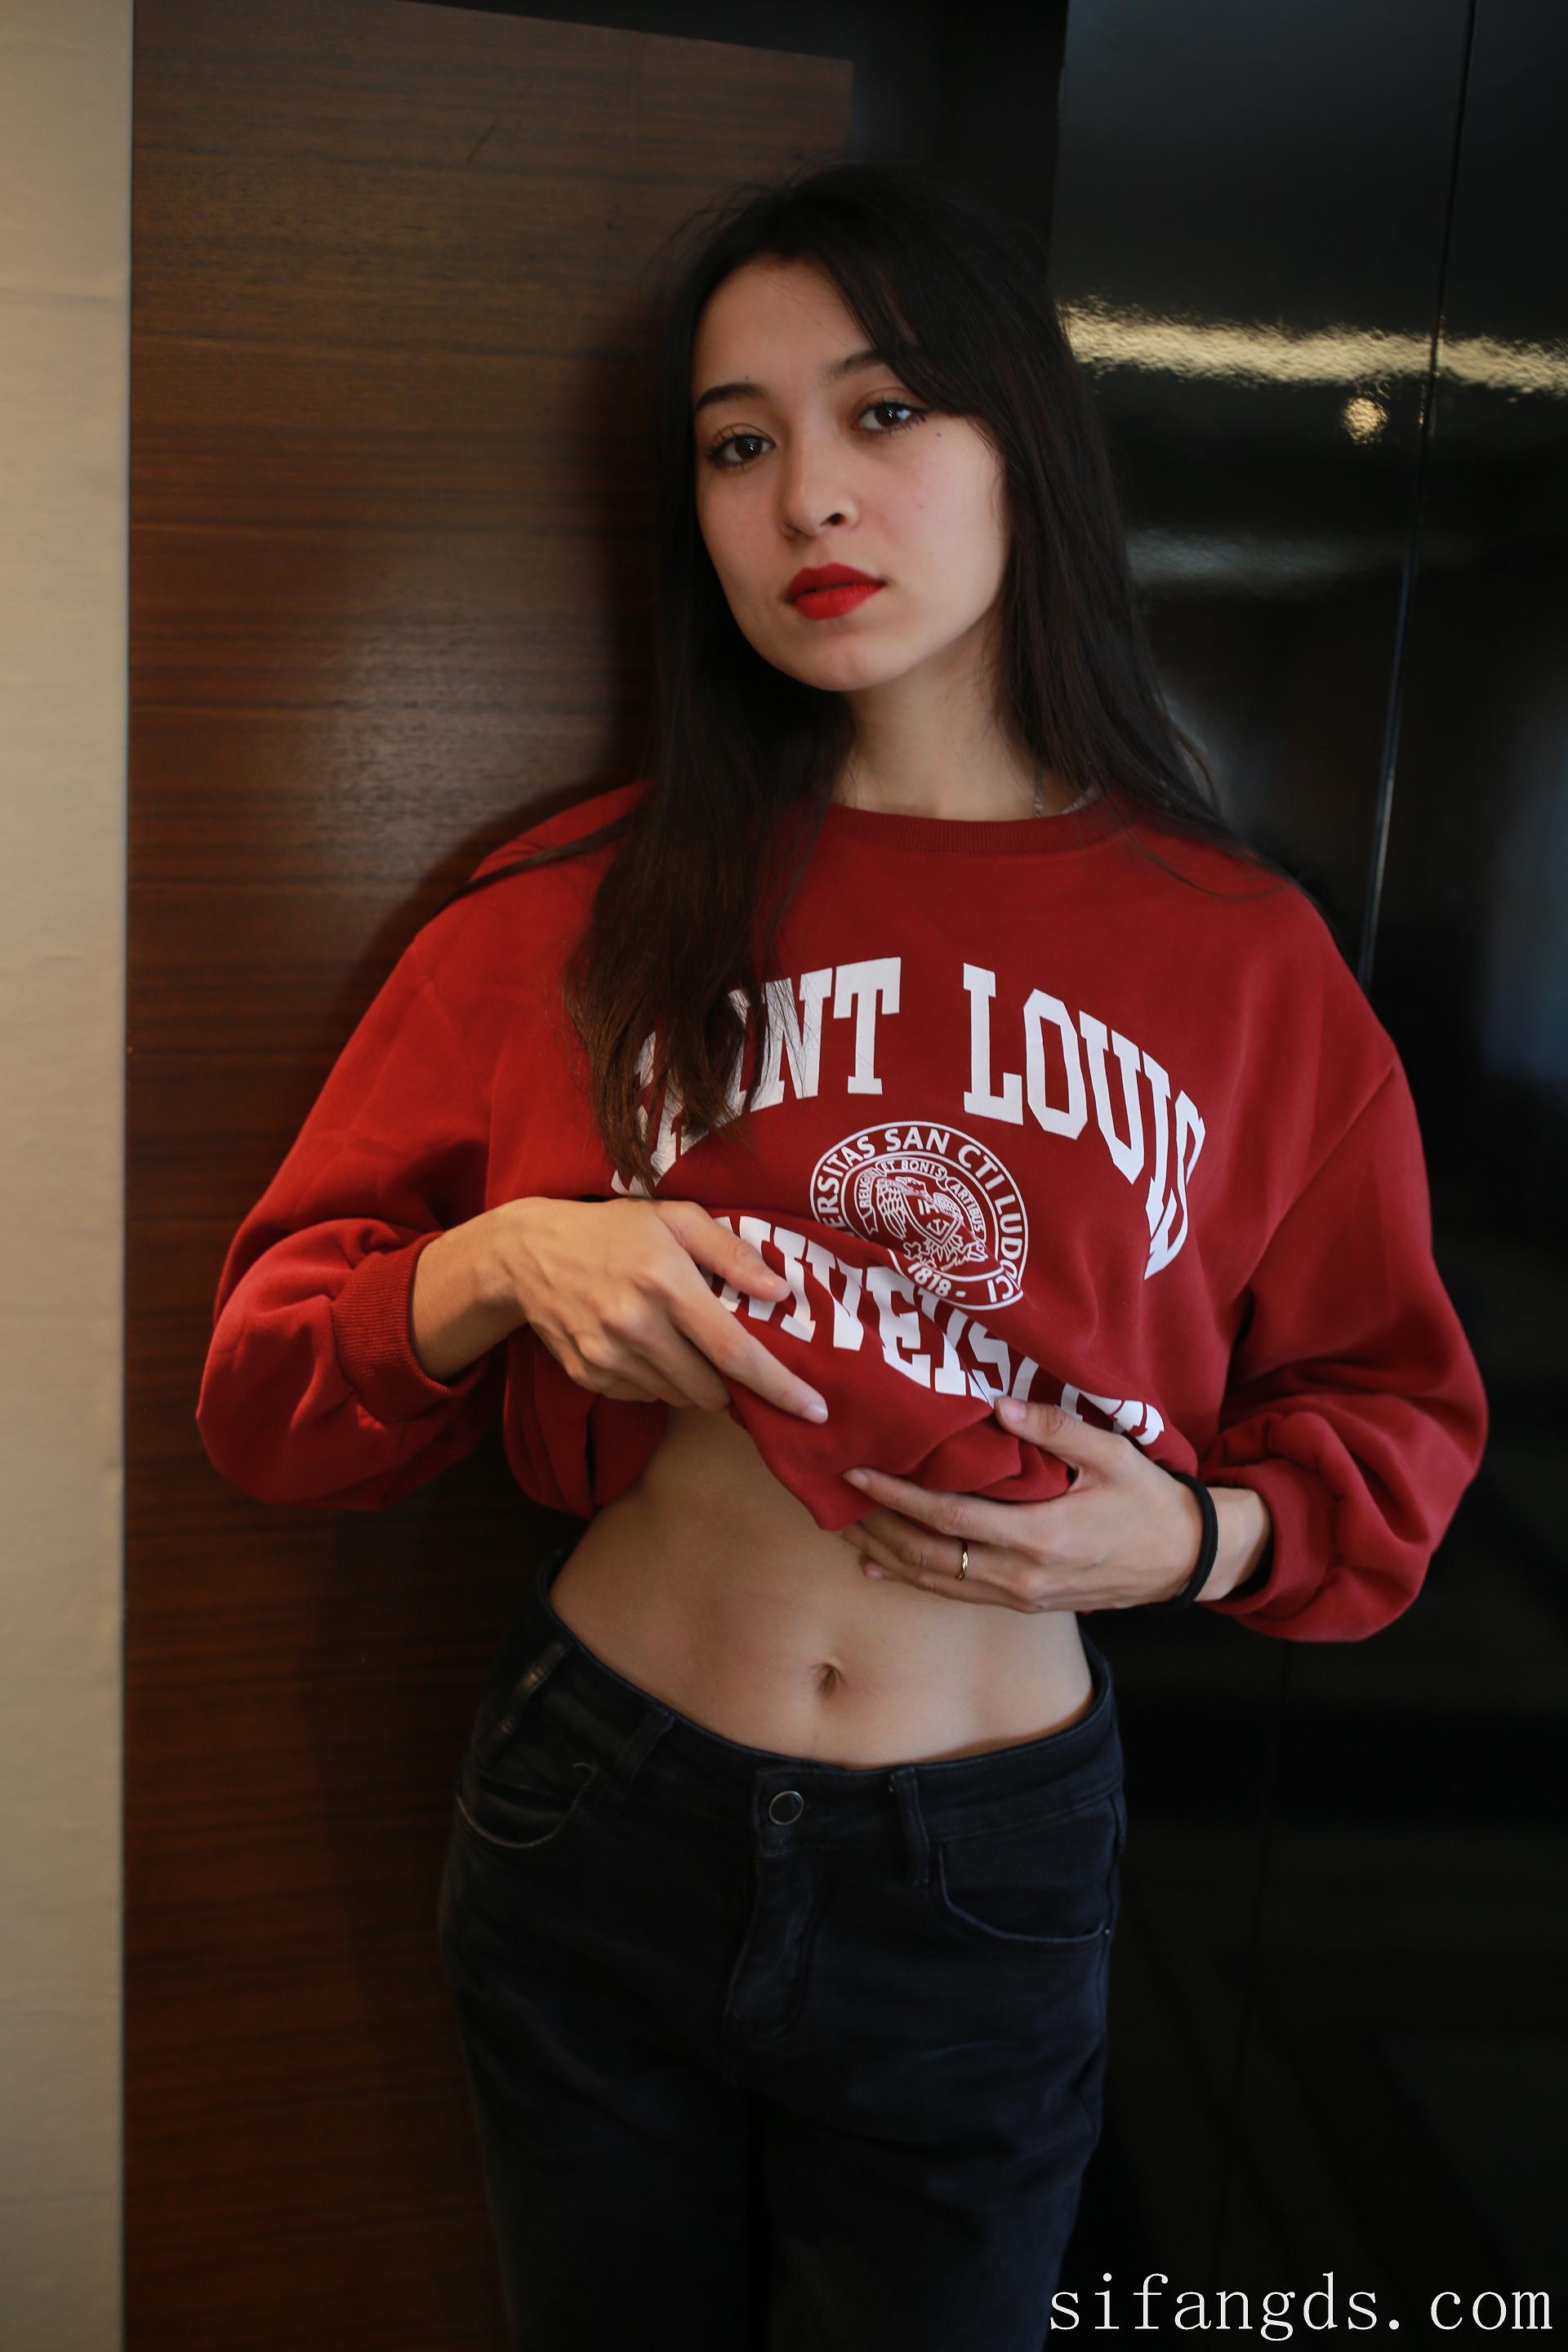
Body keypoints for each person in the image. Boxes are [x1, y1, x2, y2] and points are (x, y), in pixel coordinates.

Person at [194, 159, 1490, 2350]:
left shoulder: (1247, 963)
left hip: (983, 1864)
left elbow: (1395, 1430)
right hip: (598, 1809)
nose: (807, 493)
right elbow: (266, 1396)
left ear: (1023, 445)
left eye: (884, 412)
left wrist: (1197, 1538)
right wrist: (504, 1263)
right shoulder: (571, 905)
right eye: (738, 442)